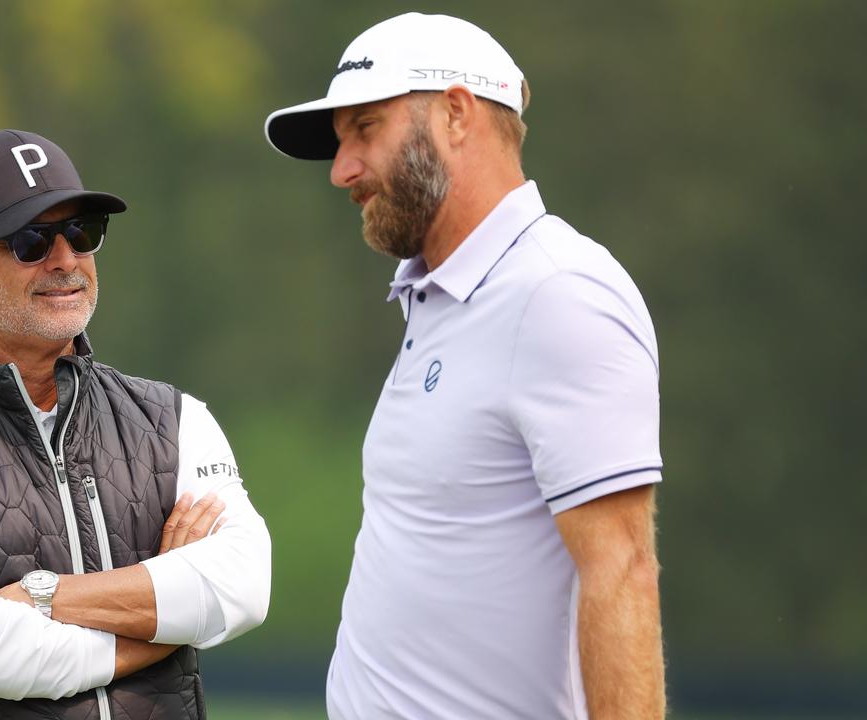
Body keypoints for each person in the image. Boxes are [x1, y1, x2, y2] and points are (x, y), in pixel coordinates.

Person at [265, 13, 664, 719]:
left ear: (455, 114)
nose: (340, 171)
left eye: (365, 129)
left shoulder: (557, 293)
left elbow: (622, 572)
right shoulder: (437, 295)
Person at [0, 129, 270, 720]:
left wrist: (45, 597)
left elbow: (244, 587)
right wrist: (170, 622)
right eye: (29, 241)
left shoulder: (176, 419)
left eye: (82, 231)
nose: (66, 259)